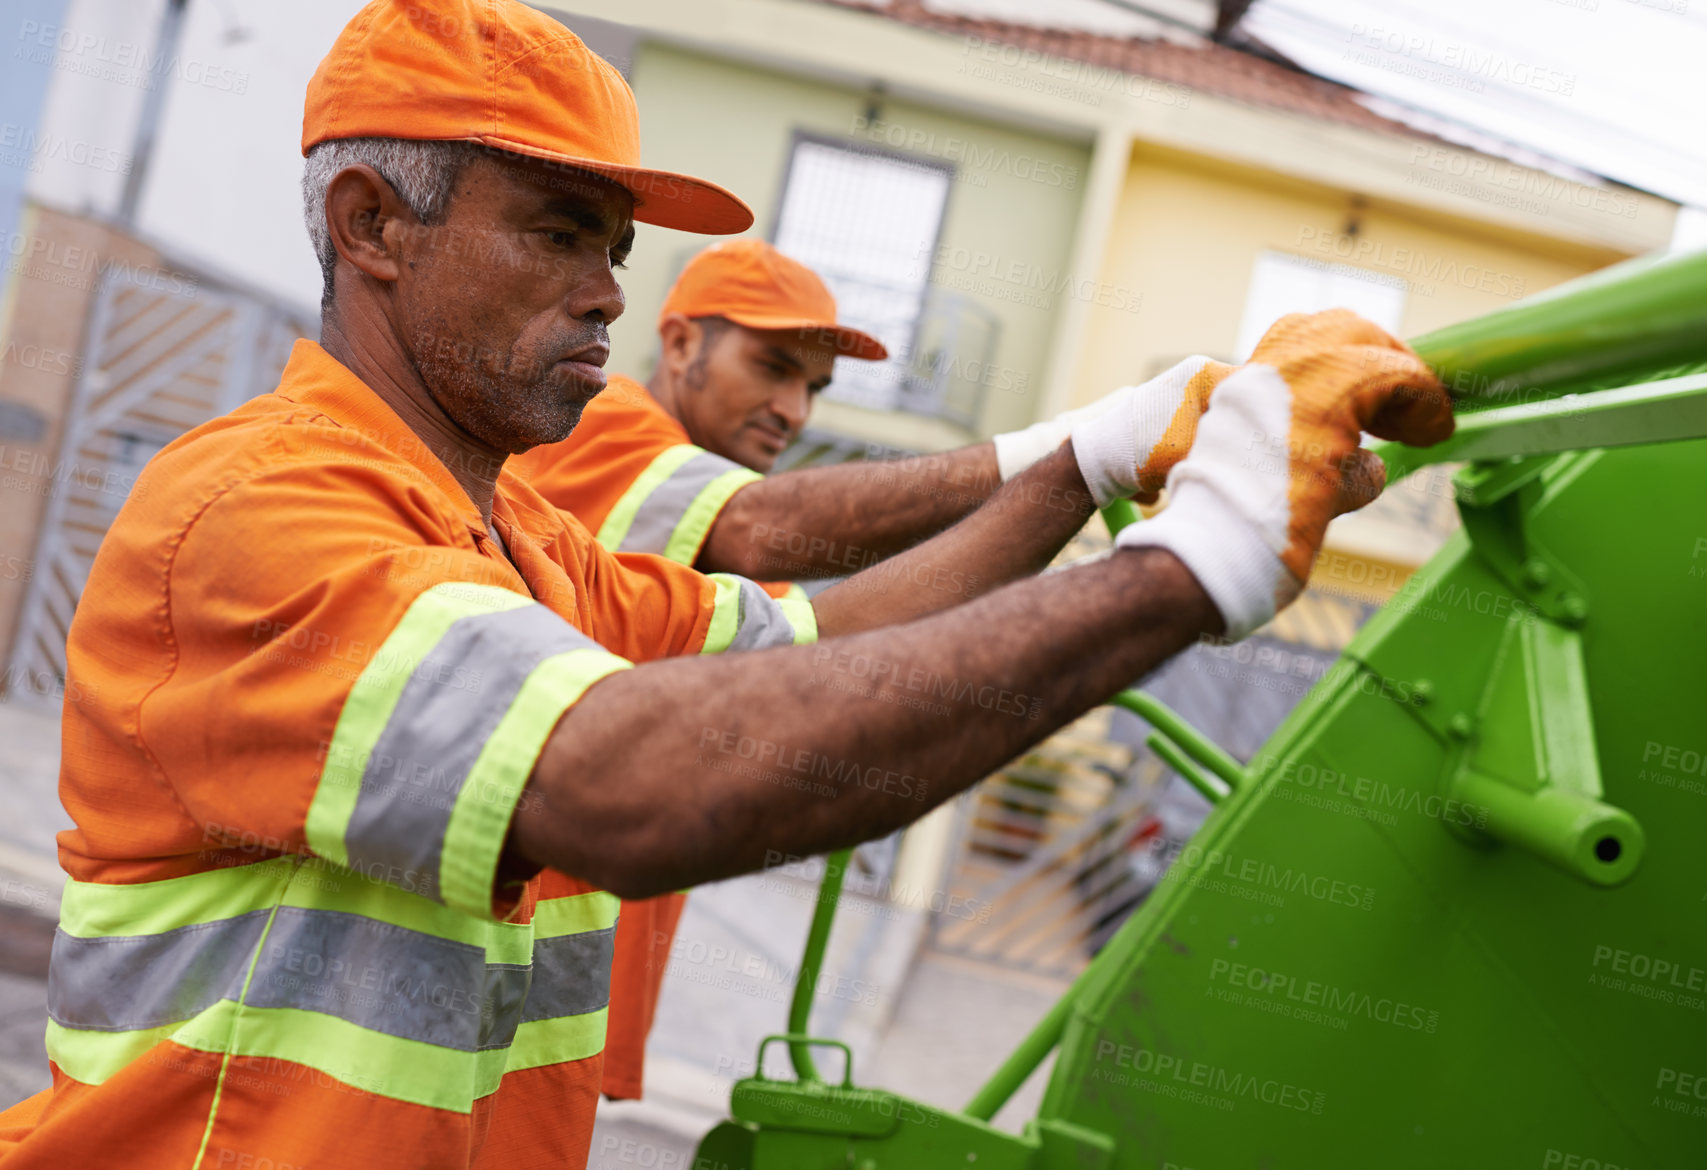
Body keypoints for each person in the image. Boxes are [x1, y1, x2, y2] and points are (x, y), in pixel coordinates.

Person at [0, 2, 1450, 1167]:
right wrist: (1186, 571)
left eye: (617, 249)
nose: (613, 292)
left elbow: (817, 634)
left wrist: (1081, 464)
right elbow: (631, 780)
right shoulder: (262, 506)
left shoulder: (519, 543)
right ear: (374, 223)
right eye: (561, 231)